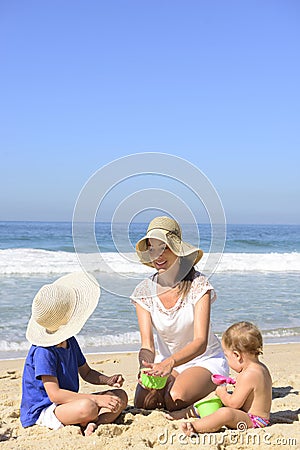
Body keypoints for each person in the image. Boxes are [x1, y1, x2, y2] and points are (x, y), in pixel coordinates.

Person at [130, 216, 229, 412]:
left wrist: (170, 362)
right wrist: (145, 365)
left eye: (164, 247)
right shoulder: (143, 291)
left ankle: (215, 391)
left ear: (177, 249)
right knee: (144, 403)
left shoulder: (198, 285)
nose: (157, 255)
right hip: (167, 364)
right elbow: (147, 345)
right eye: (152, 248)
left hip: (204, 360)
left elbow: (200, 342)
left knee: (174, 399)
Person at [20, 272, 128, 436]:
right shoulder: (44, 351)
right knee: (88, 407)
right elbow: (55, 395)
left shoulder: (69, 340)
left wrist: (107, 380)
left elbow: (86, 372)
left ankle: (94, 424)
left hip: (69, 402)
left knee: (120, 396)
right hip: (45, 409)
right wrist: (97, 400)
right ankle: (92, 419)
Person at [170, 322, 272, 435]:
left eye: (226, 356)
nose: (226, 360)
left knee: (225, 413)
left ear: (237, 355)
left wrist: (222, 393)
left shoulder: (248, 374)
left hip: (255, 420)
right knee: (209, 403)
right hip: (248, 414)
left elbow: (234, 404)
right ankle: (183, 413)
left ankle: (195, 427)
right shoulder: (261, 368)